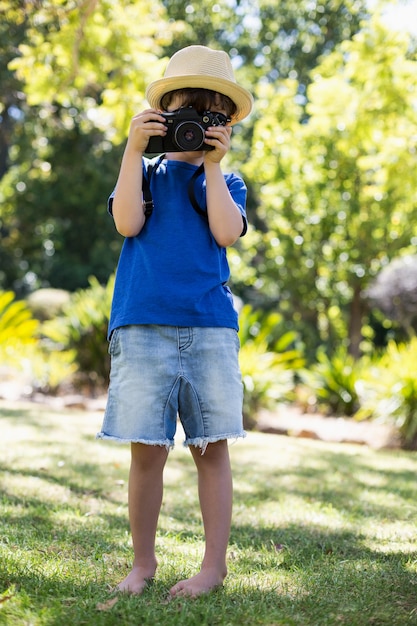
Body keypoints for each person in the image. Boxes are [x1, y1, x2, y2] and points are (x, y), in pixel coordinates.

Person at [97, 45, 253, 598]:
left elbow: (226, 233)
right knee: (146, 450)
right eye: (183, 114)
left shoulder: (226, 183)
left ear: (226, 125)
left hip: (209, 328)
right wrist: (131, 151)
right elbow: (126, 222)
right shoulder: (143, 171)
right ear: (162, 116)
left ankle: (214, 567)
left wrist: (212, 165)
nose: (193, 128)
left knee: (211, 449)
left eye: (208, 118)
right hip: (143, 327)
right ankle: (142, 564)